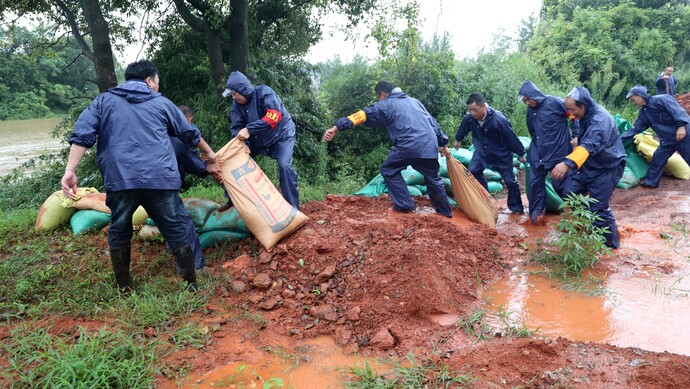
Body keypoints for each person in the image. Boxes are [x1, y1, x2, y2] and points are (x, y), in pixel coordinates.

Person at [61, 60, 217, 292]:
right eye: (157, 82)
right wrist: (210, 153)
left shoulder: (104, 101)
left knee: (120, 230)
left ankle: (124, 287)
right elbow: (188, 133)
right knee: (175, 229)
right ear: (148, 80)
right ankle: (191, 284)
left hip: (121, 179)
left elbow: (83, 133)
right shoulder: (162, 102)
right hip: (160, 179)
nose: (158, 86)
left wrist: (70, 170)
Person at [322, 81, 452, 218]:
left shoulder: (386, 104)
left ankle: (405, 205)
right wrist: (443, 142)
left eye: (378, 97)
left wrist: (336, 128)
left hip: (407, 144)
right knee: (432, 176)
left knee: (388, 170)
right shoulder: (415, 102)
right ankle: (445, 213)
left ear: (382, 94)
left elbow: (361, 115)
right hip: (428, 145)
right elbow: (433, 123)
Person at [551, 86, 626, 249]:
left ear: (583, 105)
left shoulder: (601, 119)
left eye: (573, 109)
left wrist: (567, 163)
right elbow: (579, 131)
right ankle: (585, 225)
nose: (571, 113)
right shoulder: (583, 114)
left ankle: (611, 247)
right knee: (569, 192)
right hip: (589, 163)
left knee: (599, 208)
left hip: (608, 166)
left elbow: (590, 144)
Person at [221, 71, 300, 209]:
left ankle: (293, 208)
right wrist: (243, 144)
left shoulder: (264, 92)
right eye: (231, 95)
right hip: (258, 141)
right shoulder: (236, 106)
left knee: (284, 166)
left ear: (243, 90)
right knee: (232, 160)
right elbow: (237, 128)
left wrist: (249, 130)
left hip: (281, 136)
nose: (233, 97)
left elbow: (274, 116)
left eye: (235, 93)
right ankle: (232, 201)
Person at [518, 80, 580, 224]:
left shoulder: (555, 102)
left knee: (562, 186)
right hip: (538, 153)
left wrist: (576, 135)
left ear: (535, 95)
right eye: (524, 101)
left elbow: (573, 117)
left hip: (558, 152)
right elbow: (532, 130)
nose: (527, 103)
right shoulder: (530, 110)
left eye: (528, 99)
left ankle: (576, 218)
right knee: (535, 185)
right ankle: (536, 217)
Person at [454, 93, 526, 214]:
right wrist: (458, 139)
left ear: (483, 106)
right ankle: (486, 199)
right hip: (482, 153)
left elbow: (511, 137)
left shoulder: (499, 119)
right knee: (473, 170)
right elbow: (463, 127)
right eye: (469, 110)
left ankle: (516, 208)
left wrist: (520, 153)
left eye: (474, 110)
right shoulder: (470, 118)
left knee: (510, 181)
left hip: (501, 154)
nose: (472, 113)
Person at [172, 105, 223, 272]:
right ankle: (194, 268)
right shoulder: (178, 137)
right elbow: (185, 155)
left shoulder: (162, 130)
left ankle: (173, 252)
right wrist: (206, 166)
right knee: (183, 223)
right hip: (162, 186)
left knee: (168, 220)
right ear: (189, 121)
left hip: (136, 181)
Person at [621, 85, 690, 188]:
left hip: (682, 135)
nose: (633, 102)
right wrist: (618, 140)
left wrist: (681, 126)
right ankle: (650, 182)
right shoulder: (644, 113)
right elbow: (635, 129)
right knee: (658, 159)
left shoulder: (662, 99)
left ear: (640, 96)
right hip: (667, 140)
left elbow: (678, 112)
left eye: (633, 99)